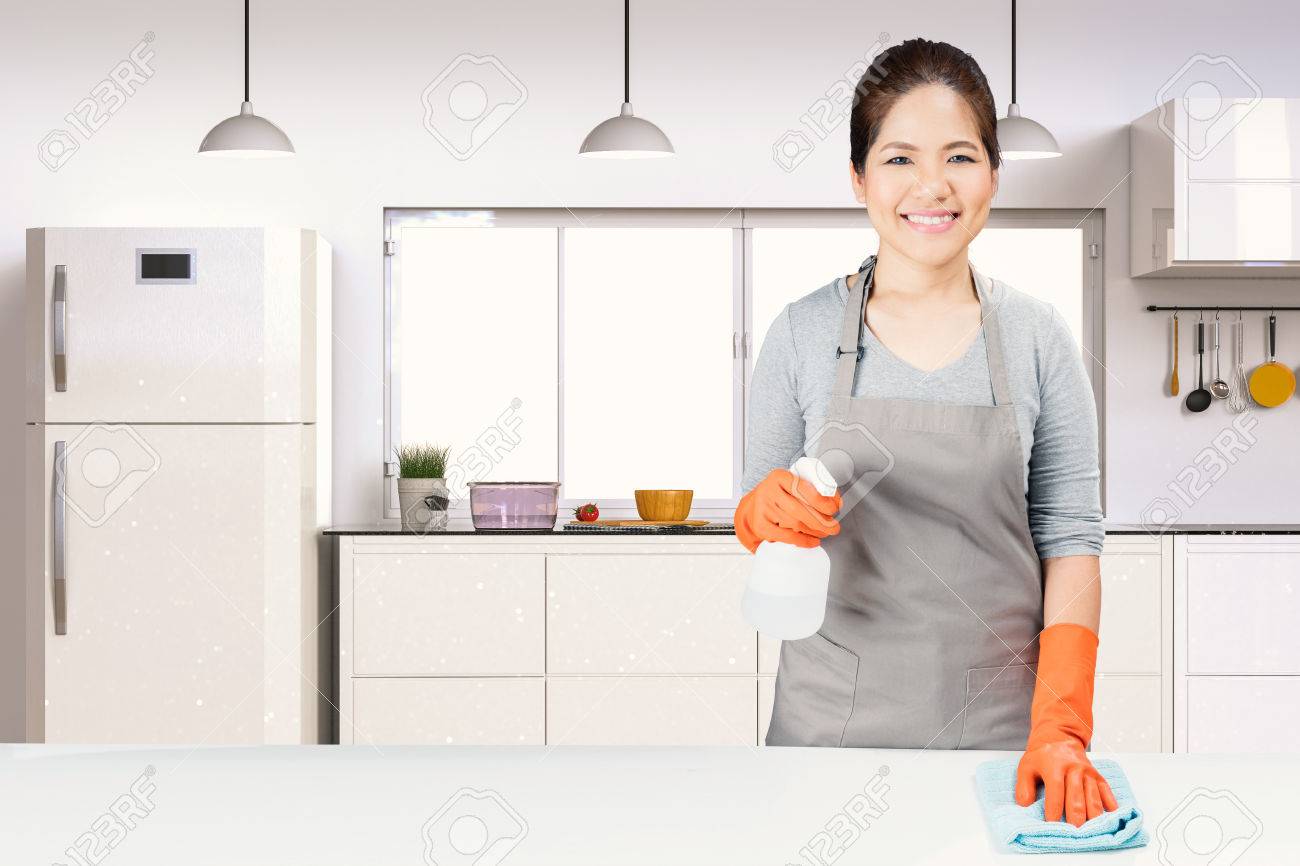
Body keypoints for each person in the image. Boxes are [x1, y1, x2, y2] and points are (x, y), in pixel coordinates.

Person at [734, 37, 1117, 828]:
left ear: (994, 175)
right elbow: (755, 515)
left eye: (961, 157)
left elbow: (1071, 541)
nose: (932, 186)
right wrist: (761, 514)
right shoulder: (801, 333)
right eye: (900, 158)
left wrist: (1061, 726)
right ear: (859, 177)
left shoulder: (1039, 337)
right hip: (828, 734)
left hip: (1005, 735)